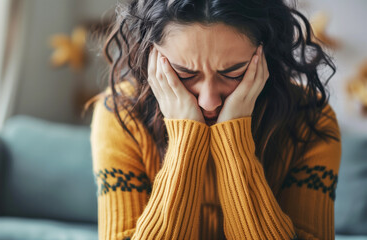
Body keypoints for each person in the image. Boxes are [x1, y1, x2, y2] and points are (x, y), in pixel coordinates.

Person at [90, 0, 341, 239]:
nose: (209, 102)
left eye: (233, 72)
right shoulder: (119, 114)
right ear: (152, 59)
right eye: (184, 73)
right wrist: (185, 138)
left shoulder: (312, 119)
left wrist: (234, 139)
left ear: (266, 57)